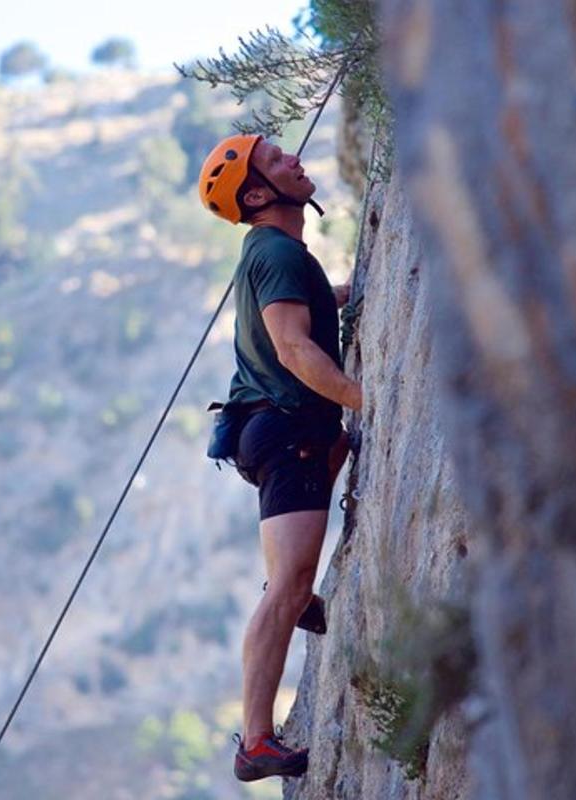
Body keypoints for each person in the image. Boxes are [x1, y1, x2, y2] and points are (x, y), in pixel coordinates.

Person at [197, 133, 363, 782]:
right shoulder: (278, 255)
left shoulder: (274, 252)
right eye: (273, 161)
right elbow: (293, 349)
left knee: (338, 452)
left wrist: (342, 293)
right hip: (288, 428)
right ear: (260, 194)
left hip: (274, 432)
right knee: (289, 585)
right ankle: (257, 743)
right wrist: (362, 396)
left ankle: (297, 598)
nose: (293, 158)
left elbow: (304, 315)